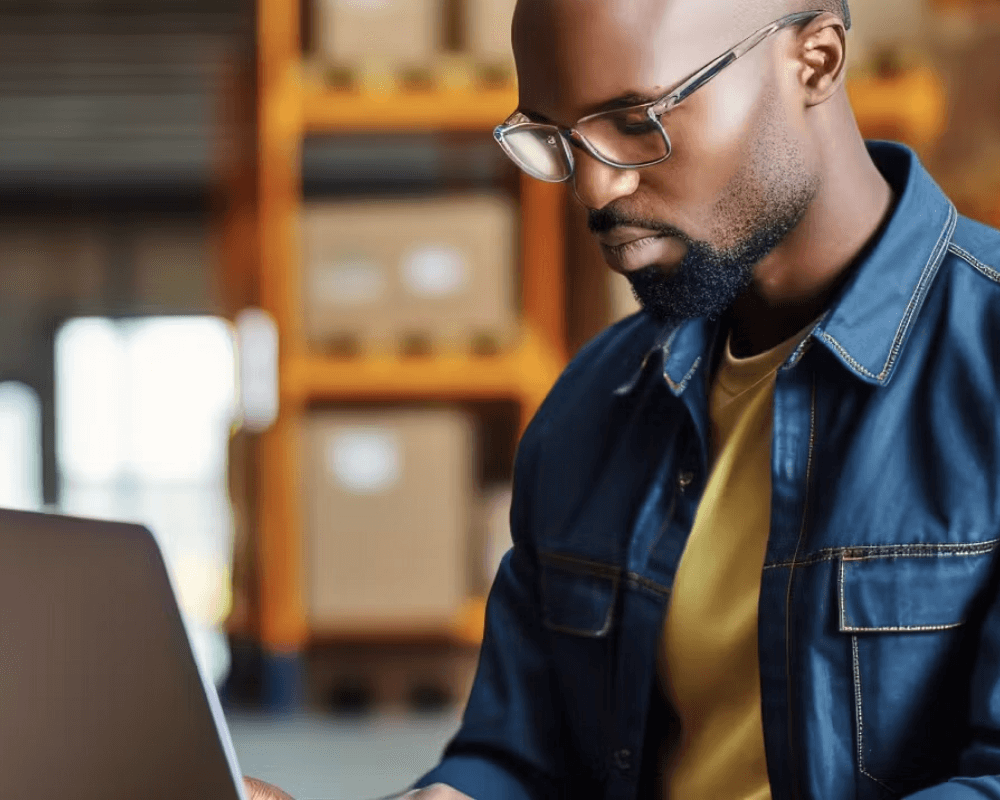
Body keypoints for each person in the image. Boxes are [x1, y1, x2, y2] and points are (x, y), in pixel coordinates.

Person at [247, 0, 1000, 797]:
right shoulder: (593, 405)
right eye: (555, 139)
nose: (594, 187)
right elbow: (521, 760)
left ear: (814, 62)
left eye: (637, 122)